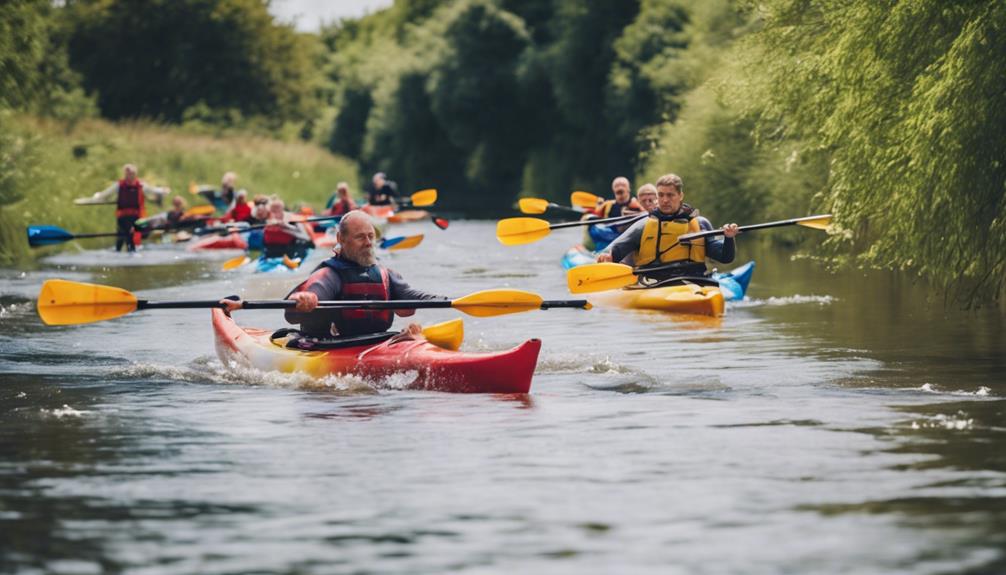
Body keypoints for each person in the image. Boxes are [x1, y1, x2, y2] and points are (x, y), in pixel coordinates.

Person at [220, 210, 445, 339]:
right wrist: (306, 299)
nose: (368, 243)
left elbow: (412, 295)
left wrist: (445, 301)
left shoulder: (385, 274)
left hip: (378, 343)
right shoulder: (330, 274)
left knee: (414, 332)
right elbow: (313, 293)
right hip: (328, 347)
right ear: (341, 239)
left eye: (370, 236)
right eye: (360, 237)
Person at [597, 173, 739, 281]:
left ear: (680, 195)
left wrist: (729, 238)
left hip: (694, 282)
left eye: (670, 195)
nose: (665, 200)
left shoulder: (700, 224)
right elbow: (615, 251)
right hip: (655, 283)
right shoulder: (643, 226)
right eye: (661, 195)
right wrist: (608, 256)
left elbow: (725, 258)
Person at [86, 163, 171, 252]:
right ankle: (122, 252)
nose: (129, 176)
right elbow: (105, 194)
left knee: (129, 238)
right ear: (125, 174)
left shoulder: (141, 185)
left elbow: (153, 190)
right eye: (128, 174)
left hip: (135, 217)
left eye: (131, 174)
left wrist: (163, 190)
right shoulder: (119, 185)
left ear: (135, 174)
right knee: (122, 238)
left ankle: (128, 253)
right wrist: (96, 197)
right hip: (123, 217)